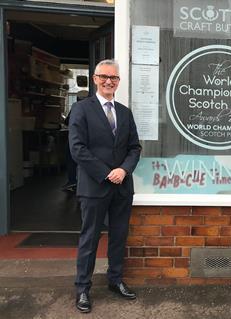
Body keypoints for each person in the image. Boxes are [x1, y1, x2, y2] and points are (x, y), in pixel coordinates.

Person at [69, 59, 142, 313]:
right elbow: (77, 149)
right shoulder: (81, 109)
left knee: (119, 236)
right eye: (104, 77)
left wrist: (123, 170)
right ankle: (82, 289)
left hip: (122, 186)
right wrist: (106, 173)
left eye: (114, 78)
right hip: (94, 186)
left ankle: (115, 280)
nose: (109, 81)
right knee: (90, 238)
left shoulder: (125, 112)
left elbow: (135, 147)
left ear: (119, 81)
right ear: (94, 79)